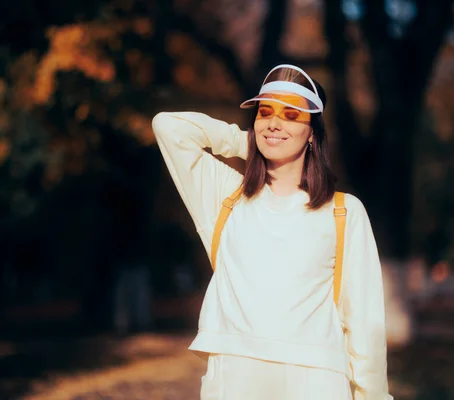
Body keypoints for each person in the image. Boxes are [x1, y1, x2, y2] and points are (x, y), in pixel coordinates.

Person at [152, 64, 392, 400]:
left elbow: (365, 323)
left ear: (313, 133)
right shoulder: (225, 196)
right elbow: (168, 127)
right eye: (266, 112)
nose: (275, 122)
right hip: (234, 375)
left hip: (317, 380)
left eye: (291, 115)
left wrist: (374, 396)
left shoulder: (344, 211)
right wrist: (250, 142)